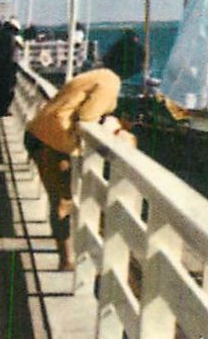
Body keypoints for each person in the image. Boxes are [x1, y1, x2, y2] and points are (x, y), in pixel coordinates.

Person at [26, 68, 131, 270]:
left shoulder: (95, 74)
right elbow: (87, 115)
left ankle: (65, 257)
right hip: (53, 142)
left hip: (38, 133)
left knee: (58, 200)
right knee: (63, 203)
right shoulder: (111, 81)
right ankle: (67, 259)